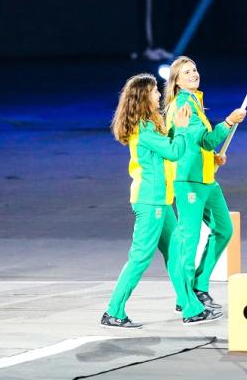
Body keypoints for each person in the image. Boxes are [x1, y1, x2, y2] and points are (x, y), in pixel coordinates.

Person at [100, 73, 191, 329]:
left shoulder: (148, 126)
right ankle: (113, 311)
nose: (159, 95)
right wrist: (182, 129)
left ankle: (189, 305)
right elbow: (174, 151)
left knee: (176, 249)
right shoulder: (144, 128)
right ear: (143, 97)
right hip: (151, 202)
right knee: (140, 257)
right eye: (154, 92)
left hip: (160, 200)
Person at [163, 56, 246, 325]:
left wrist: (212, 159)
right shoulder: (183, 105)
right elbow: (207, 141)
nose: (194, 74)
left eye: (195, 69)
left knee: (224, 230)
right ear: (176, 80)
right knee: (188, 241)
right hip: (189, 182)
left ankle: (199, 284)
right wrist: (229, 122)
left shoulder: (195, 101)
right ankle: (185, 299)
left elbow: (201, 146)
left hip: (207, 179)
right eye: (187, 72)